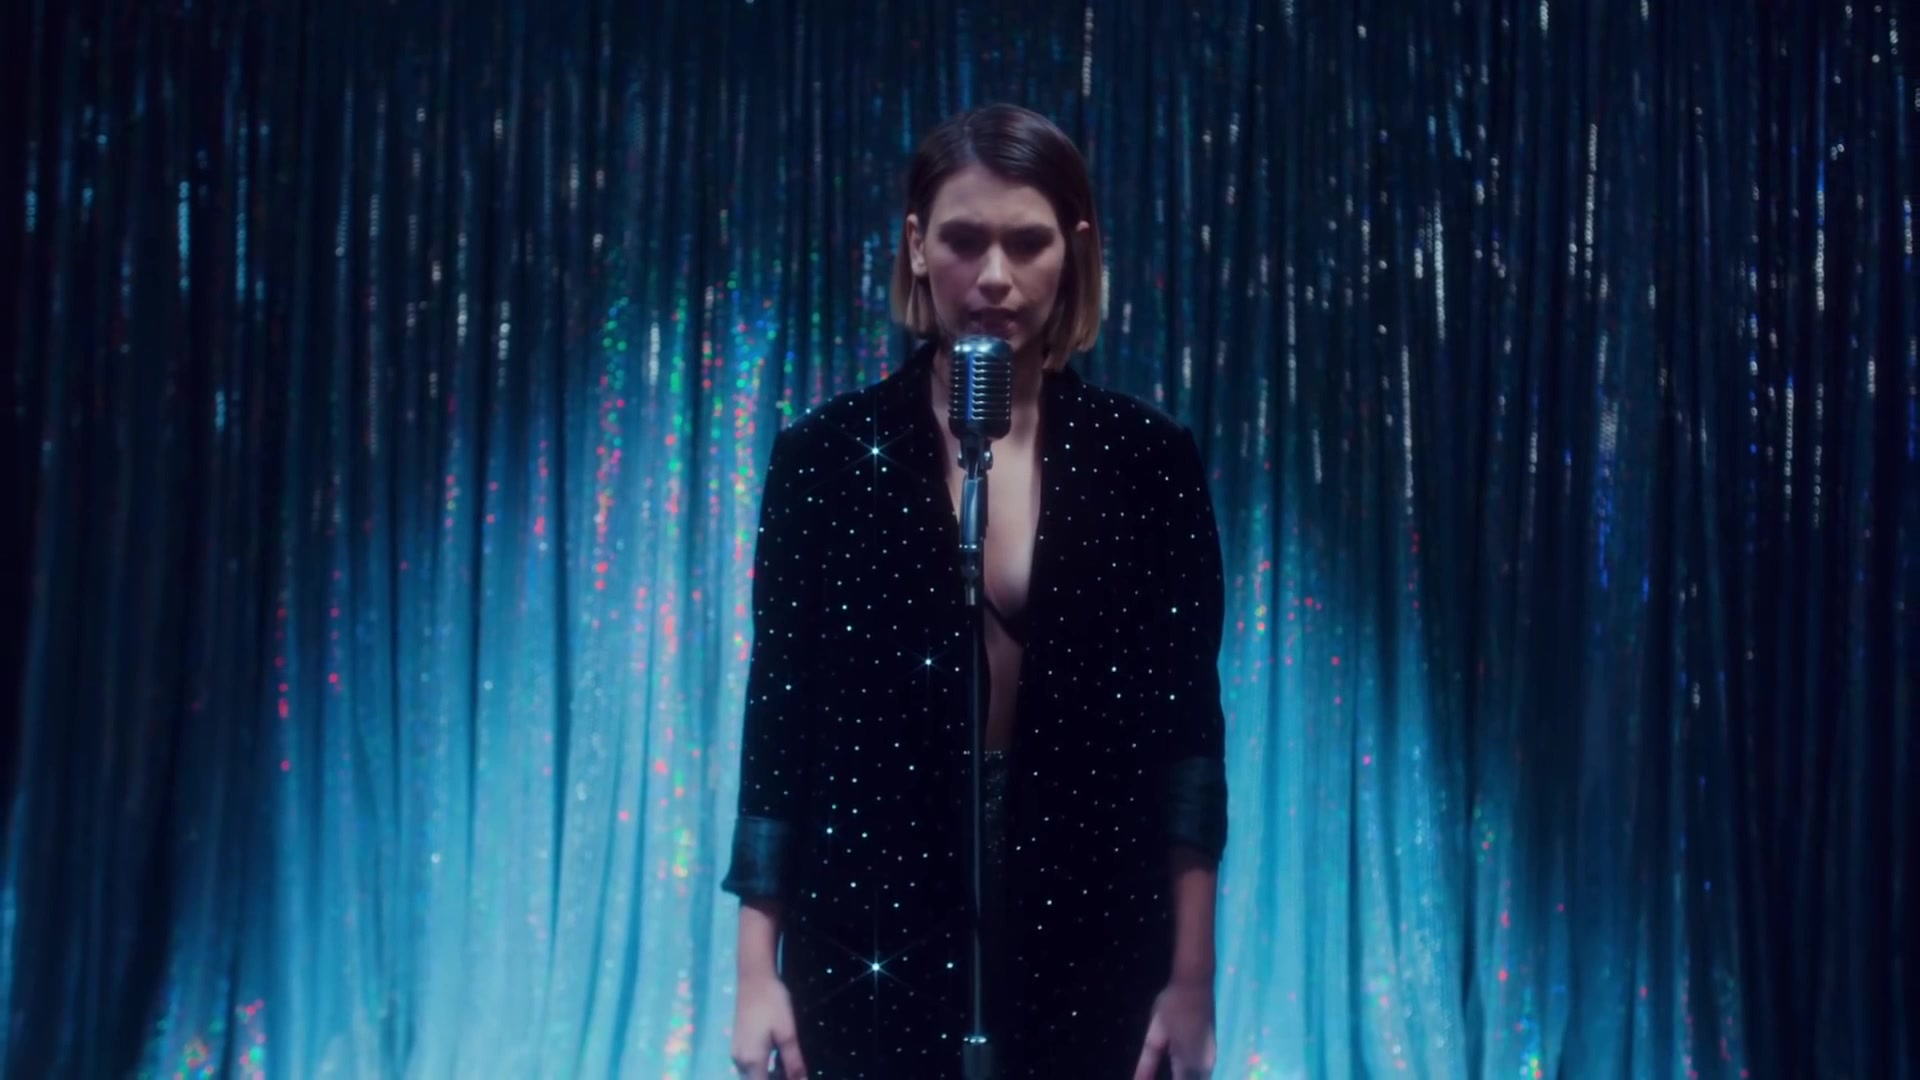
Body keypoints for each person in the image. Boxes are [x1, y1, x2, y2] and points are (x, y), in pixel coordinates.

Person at [723, 103, 1228, 1080]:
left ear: (1074, 250)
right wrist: (755, 969)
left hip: (1092, 918)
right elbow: (782, 720)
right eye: (963, 241)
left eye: (1027, 243)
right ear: (917, 247)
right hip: (874, 919)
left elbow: (1187, 743)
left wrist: (1192, 975)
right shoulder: (827, 460)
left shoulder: (1148, 463)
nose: (994, 276)